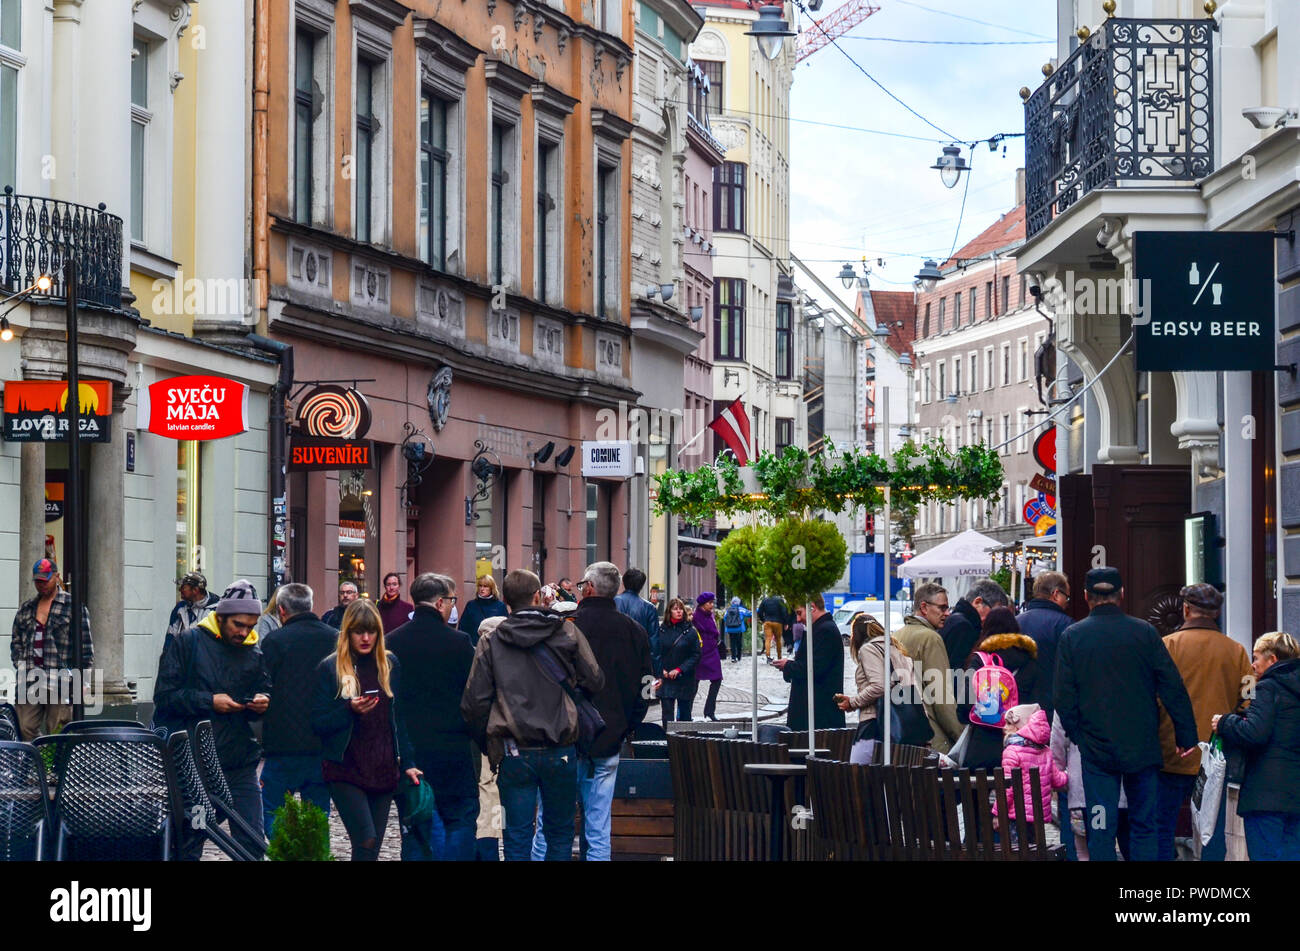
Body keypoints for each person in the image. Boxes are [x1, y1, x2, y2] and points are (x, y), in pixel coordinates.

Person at [1054, 566, 1198, 862]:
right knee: (1144, 824)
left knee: (1100, 825)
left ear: (1085, 596)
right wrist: (1186, 734)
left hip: (1096, 750)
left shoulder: (1073, 636)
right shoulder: (1144, 632)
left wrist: (1078, 734)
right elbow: (1172, 684)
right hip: (1142, 745)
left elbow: (1063, 696)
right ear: (1121, 594)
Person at [460, 568, 604, 861]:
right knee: (560, 834)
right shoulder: (565, 631)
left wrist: (489, 743)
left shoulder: (492, 640)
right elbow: (595, 679)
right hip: (561, 747)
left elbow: (474, 702)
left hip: (514, 750)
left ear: (507, 602)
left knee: (517, 836)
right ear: (538, 596)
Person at [538, 562, 651, 862]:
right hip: (609, 737)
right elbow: (646, 687)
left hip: (565, 736)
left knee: (550, 823)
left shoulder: (568, 625)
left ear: (588, 588)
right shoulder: (635, 631)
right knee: (600, 826)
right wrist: (629, 724)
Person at [154, 579, 270, 859]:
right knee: (190, 840)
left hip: (239, 761)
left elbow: (266, 688)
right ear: (221, 617)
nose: (244, 632)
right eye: (238, 625)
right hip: (195, 765)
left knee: (252, 842)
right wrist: (209, 701)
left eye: (250, 626)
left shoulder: (254, 652)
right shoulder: (189, 641)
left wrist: (264, 701)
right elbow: (165, 696)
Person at [310, 599, 421, 861]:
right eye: (359, 631)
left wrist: (408, 762)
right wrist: (349, 710)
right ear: (348, 632)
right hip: (345, 767)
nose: (365, 637)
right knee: (366, 838)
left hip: (383, 767)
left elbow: (398, 719)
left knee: (371, 848)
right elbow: (318, 723)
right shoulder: (331, 667)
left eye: (371, 631)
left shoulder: (389, 664)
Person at [1155, 583, 1252, 862]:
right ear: (1217, 613)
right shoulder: (1237, 651)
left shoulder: (1167, 646)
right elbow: (1248, 701)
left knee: (1162, 828)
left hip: (1171, 753)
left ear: (1185, 609)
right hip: (1215, 756)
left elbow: (1153, 695)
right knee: (1212, 831)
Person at [386, 573, 478, 861]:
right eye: (452, 600)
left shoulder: (392, 642)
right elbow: (472, 696)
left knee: (415, 822)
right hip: (453, 748)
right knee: (459, 820)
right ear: (440, 603)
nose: (453, 606)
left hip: (410, 750)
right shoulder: (460, 642)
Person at [259, 582, 337, 839]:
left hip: (283, 743)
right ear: (311, 605)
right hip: (322, 741)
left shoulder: (274, 641)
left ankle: (285, 854)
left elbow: (263, 686)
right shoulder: (333, 638)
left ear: (281, 610)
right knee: (318, 818)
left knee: (273, 813)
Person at [1213, 631, 1300, 861]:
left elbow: (1254, 732)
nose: (1252, 665)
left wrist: (1224, 722)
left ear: (1272, 660)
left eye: (1257, 657)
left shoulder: (1267, 687)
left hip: (1266, 791)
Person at [11, 559, 93, 741]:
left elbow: (86, 648)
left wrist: (84, 681)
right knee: (23, 725)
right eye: (37, 581)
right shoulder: (26, 609)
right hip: (31, 678)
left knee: (58, 729)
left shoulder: (73, 607)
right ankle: (40, 761)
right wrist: (20, 664)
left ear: (56, 577)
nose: (41, 585)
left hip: (61, 678)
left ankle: (52, 767)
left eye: (45, 580)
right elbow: (16, 641)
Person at [959, 607, 1046, 770]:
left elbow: (964, 707)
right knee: (1019, 794)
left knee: (977, 793)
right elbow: (1040, 706)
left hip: (981, 748)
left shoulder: (980, 660)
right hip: (1021, 749)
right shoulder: (1030, 661)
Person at [893, 583, 963, 754]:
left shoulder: (898, 635)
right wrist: (961, 737)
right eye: (942, 607)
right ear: (924, 607)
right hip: (931, 736)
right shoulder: (931, 638)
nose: (947, 613)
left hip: (903, 732)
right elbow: (941, 695)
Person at [838, 615, 913, 764]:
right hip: (903, 722)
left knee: (857, 775)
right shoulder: (896, 649)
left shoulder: (868, 649)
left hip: (875, 722)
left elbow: (879, 685)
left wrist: (853, 702)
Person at [774, 594, 845, 732]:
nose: (798, 619)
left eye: (799, 613)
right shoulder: (819, 628)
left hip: (818, 712)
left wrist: (788, 665)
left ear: (812, 607)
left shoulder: (825, 630)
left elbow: (815, 668)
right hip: (812, 709)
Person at [999, 704, 1069, 833]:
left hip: (1016, 816)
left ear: (1021, 726)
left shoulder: (1012, 751)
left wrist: (998, 813)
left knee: (1016, 851)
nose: (1004, 727)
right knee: (1035, 849)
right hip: (1038, 817)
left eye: (1009, 723)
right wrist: (1070, 773)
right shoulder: (1046, 751)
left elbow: (1008, 788)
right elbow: (1057, 780)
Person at [1014, 571, 1073, 721]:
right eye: (1067, 597)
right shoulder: (1066, 626)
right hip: (1052, 713)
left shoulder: (1015, 622)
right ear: (1056, 594)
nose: (1067, 602)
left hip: (1017, 711)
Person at [939, 578, 1009, 683]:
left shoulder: (956, 620)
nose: (995, 617)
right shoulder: (964, 627)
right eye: (994, 611)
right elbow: (956, 672)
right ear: (978, 602)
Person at [658, 598, 701, 727]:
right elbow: (654, 653)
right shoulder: (661, 630)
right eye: (675, 609)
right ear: (669, 611)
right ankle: (669, 741)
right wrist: (661, 670)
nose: (679, 611)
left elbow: (696, 654)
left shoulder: (690, 631)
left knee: (685, 715)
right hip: (666, 678)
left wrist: (679, 669)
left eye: (680, 609)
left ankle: (684, 742)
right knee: (667, 714)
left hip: (684, 678)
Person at [615, 568, 661, 675]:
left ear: (623, 582)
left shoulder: (613, 602)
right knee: (644, 691)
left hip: (616, 663)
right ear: (642, 585)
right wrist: (657, 673)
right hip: (641, 664)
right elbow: (654, 643)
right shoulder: (649, 608)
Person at [691, 593, 725, 721]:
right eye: (709, 603)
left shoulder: (710, 615)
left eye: (712, 602)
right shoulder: (695, 617)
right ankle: (686, 712)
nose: (712, 605)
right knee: (694, 682)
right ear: (702, 604)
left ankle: (709, 711)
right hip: (700, 653)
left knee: (717, 680)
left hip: (712, 652)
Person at [166, 571, 218, 652]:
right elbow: (170, 637)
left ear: (195, 590)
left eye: (183, 587)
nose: (180, 590)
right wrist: (167, 659)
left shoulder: (217, 609)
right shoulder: (180, 608)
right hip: (183, 660)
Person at [457, 574, 508, 647]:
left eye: (485, 586)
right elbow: (462, 628)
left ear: (491, 588)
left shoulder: (500, 606)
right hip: (474, 647)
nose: (482, 589)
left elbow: (505, 629)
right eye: (480, 586)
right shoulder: (471, 605)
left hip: (494, 648)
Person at [758, 593, 788, 660]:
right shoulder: (780, 600)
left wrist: (763, 620)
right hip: (778, 622)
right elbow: (784, 611)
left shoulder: (764, 600)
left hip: (767, 622)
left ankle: (768, 656)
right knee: (778, 640)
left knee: (768, 639)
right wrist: (785, 622)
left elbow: (759, 612)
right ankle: (779, 657)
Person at [721, 597, 750, 663]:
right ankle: (738, 657)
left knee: (732, 643)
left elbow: (725, 618)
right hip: (739, 628)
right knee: (739, 642)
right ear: (739, 602)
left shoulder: (728, 610)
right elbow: (749, 613)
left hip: (730, 629)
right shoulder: (741, 609)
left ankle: (733, 657)